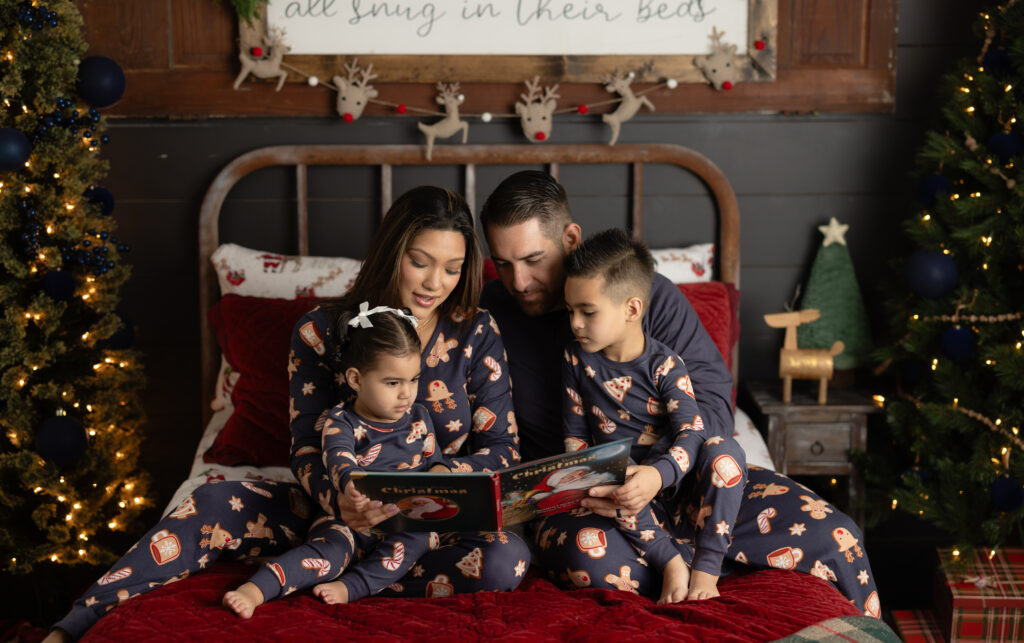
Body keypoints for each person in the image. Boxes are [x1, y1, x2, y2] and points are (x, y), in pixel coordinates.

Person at [48, 186, 529, 641]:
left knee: (506, 560)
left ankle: (330, 576)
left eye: (452, 268)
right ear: (390, 254)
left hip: (429, 526)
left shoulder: (475, 331)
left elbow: (501, 448)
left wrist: (442, 479)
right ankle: (76, 621)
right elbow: (304, 447)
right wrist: (338, 499)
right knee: (212, 501)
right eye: (419, 262)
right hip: (328, 510)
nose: (434, 283)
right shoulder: (320, 331)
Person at [479, 171, 880, 617]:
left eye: (533, 259)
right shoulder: (486, 316)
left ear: (571, 238)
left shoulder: (649, 298)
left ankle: (703, 560)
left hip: (689, 486)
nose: (518, 281)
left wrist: (658, 474)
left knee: (836, 535)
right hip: (592, 505)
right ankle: (694, 564)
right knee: (585, 558)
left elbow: (712, 409)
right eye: (503, 263)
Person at [224, 304, 478, 616]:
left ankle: (352, 586)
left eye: (413, 380)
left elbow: (431, 464)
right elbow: (338, 459)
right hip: (351, 519)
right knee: (326, 553)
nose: (406, 394)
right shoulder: (342, 421)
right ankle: (256, 588)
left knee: (421, 540)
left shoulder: (420, 417)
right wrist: (351, 486)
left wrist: (441, 481)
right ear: (356, 379)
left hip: (403, 522)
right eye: (392, 382)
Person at [562, 228, 746, 603]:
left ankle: (706, 573)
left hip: (674, 480)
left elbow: (691, 433)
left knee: (726, 452)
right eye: (570, 311)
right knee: (608, 469)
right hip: (624, 491)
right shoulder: (575, 359)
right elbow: (576, 436)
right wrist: (584, 473)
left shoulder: (666, 365)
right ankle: (673, 564)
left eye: (587, 311)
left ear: (631, 309)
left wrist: (658, 473)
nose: (575, 323)